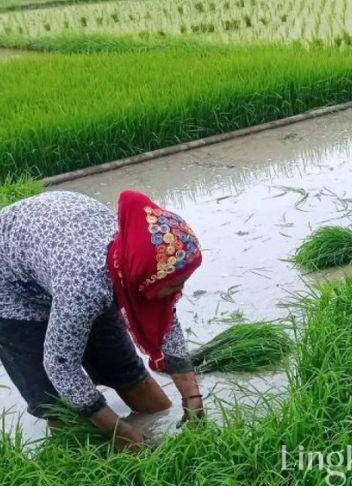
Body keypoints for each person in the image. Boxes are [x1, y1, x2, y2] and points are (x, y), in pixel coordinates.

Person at [0, 189, 204, 451]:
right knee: (58, 404)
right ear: (142, 274)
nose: (178, 292)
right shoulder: (86, 286)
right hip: (11, 290)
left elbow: (165, 320)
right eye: (174, 284)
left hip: (60, 254)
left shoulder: (138, 261)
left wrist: (192, 397)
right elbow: (60, 365)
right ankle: (76, 467)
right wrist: (120, 431)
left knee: (127, 373)